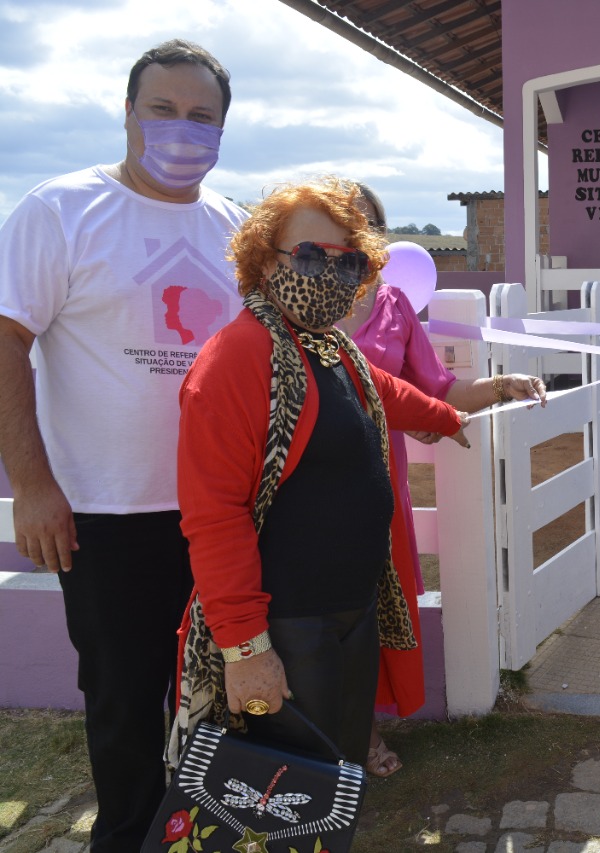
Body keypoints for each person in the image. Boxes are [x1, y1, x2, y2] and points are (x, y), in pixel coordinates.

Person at [0, 40, 243, 853]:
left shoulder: (234, 228)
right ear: (129, 114)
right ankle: (131, 838)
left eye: (201, 116)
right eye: (163, 110)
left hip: (223, 512)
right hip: (109, 514)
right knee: (126, 702)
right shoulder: (60, 211)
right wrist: (31, 483)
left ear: (222, 130)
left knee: (224, 695)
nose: (182, 128)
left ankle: (207, 833)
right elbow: (6, 342)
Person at [171, 177, 477, 780]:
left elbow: (385, 391)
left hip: (351, 605)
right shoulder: (237, 357)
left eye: (348, 260)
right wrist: (247, 650)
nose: (329, 272)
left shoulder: (331, 349)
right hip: (287, 621)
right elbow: (214, 516)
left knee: (333, 777)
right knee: (285, 785)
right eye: (310, 254)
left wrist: (444, 415)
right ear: (265, 259)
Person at [339, 182, 547, 777]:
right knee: (304, 611)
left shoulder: (394, 306)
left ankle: (361, 732)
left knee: (367, 610)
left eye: (369, 223)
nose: (357, 233)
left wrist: (501, 385)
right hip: (295, 489)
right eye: (343, 222)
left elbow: (435, 391)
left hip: (374, 488)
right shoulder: (288, 303)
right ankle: (301, 737)